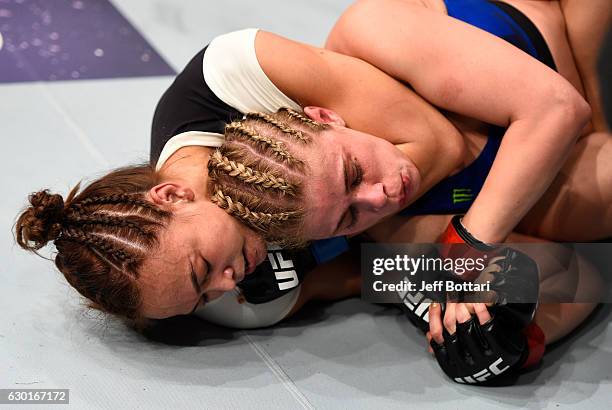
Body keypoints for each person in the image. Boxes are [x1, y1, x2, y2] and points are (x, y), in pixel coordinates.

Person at [14, 0, 609, 377]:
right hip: (461, 181)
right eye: (199, 302)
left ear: (170, 196)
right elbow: (362, 275)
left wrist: (456, 250)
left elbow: (441, 147)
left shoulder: (229, 76)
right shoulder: (247, 301)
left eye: (203, 270)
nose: (226, 286)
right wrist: (458, 308)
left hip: (504, 76)